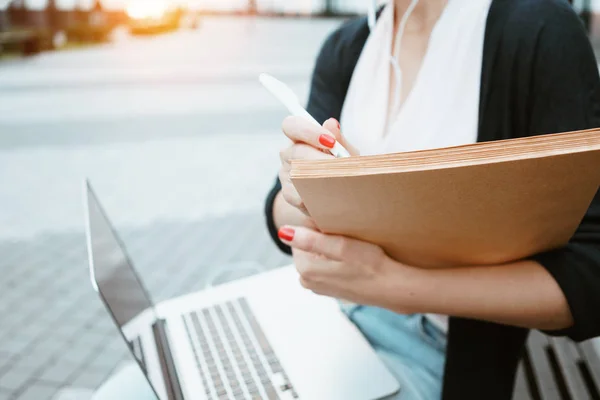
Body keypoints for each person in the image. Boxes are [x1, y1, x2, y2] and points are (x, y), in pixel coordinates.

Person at [264, 0, 600, 399]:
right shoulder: (346, 47)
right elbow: (277, 212)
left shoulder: (535, 28)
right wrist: (302, 185)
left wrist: (396, 286)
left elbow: (590, 272)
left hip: (434, 353)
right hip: (327, 318)